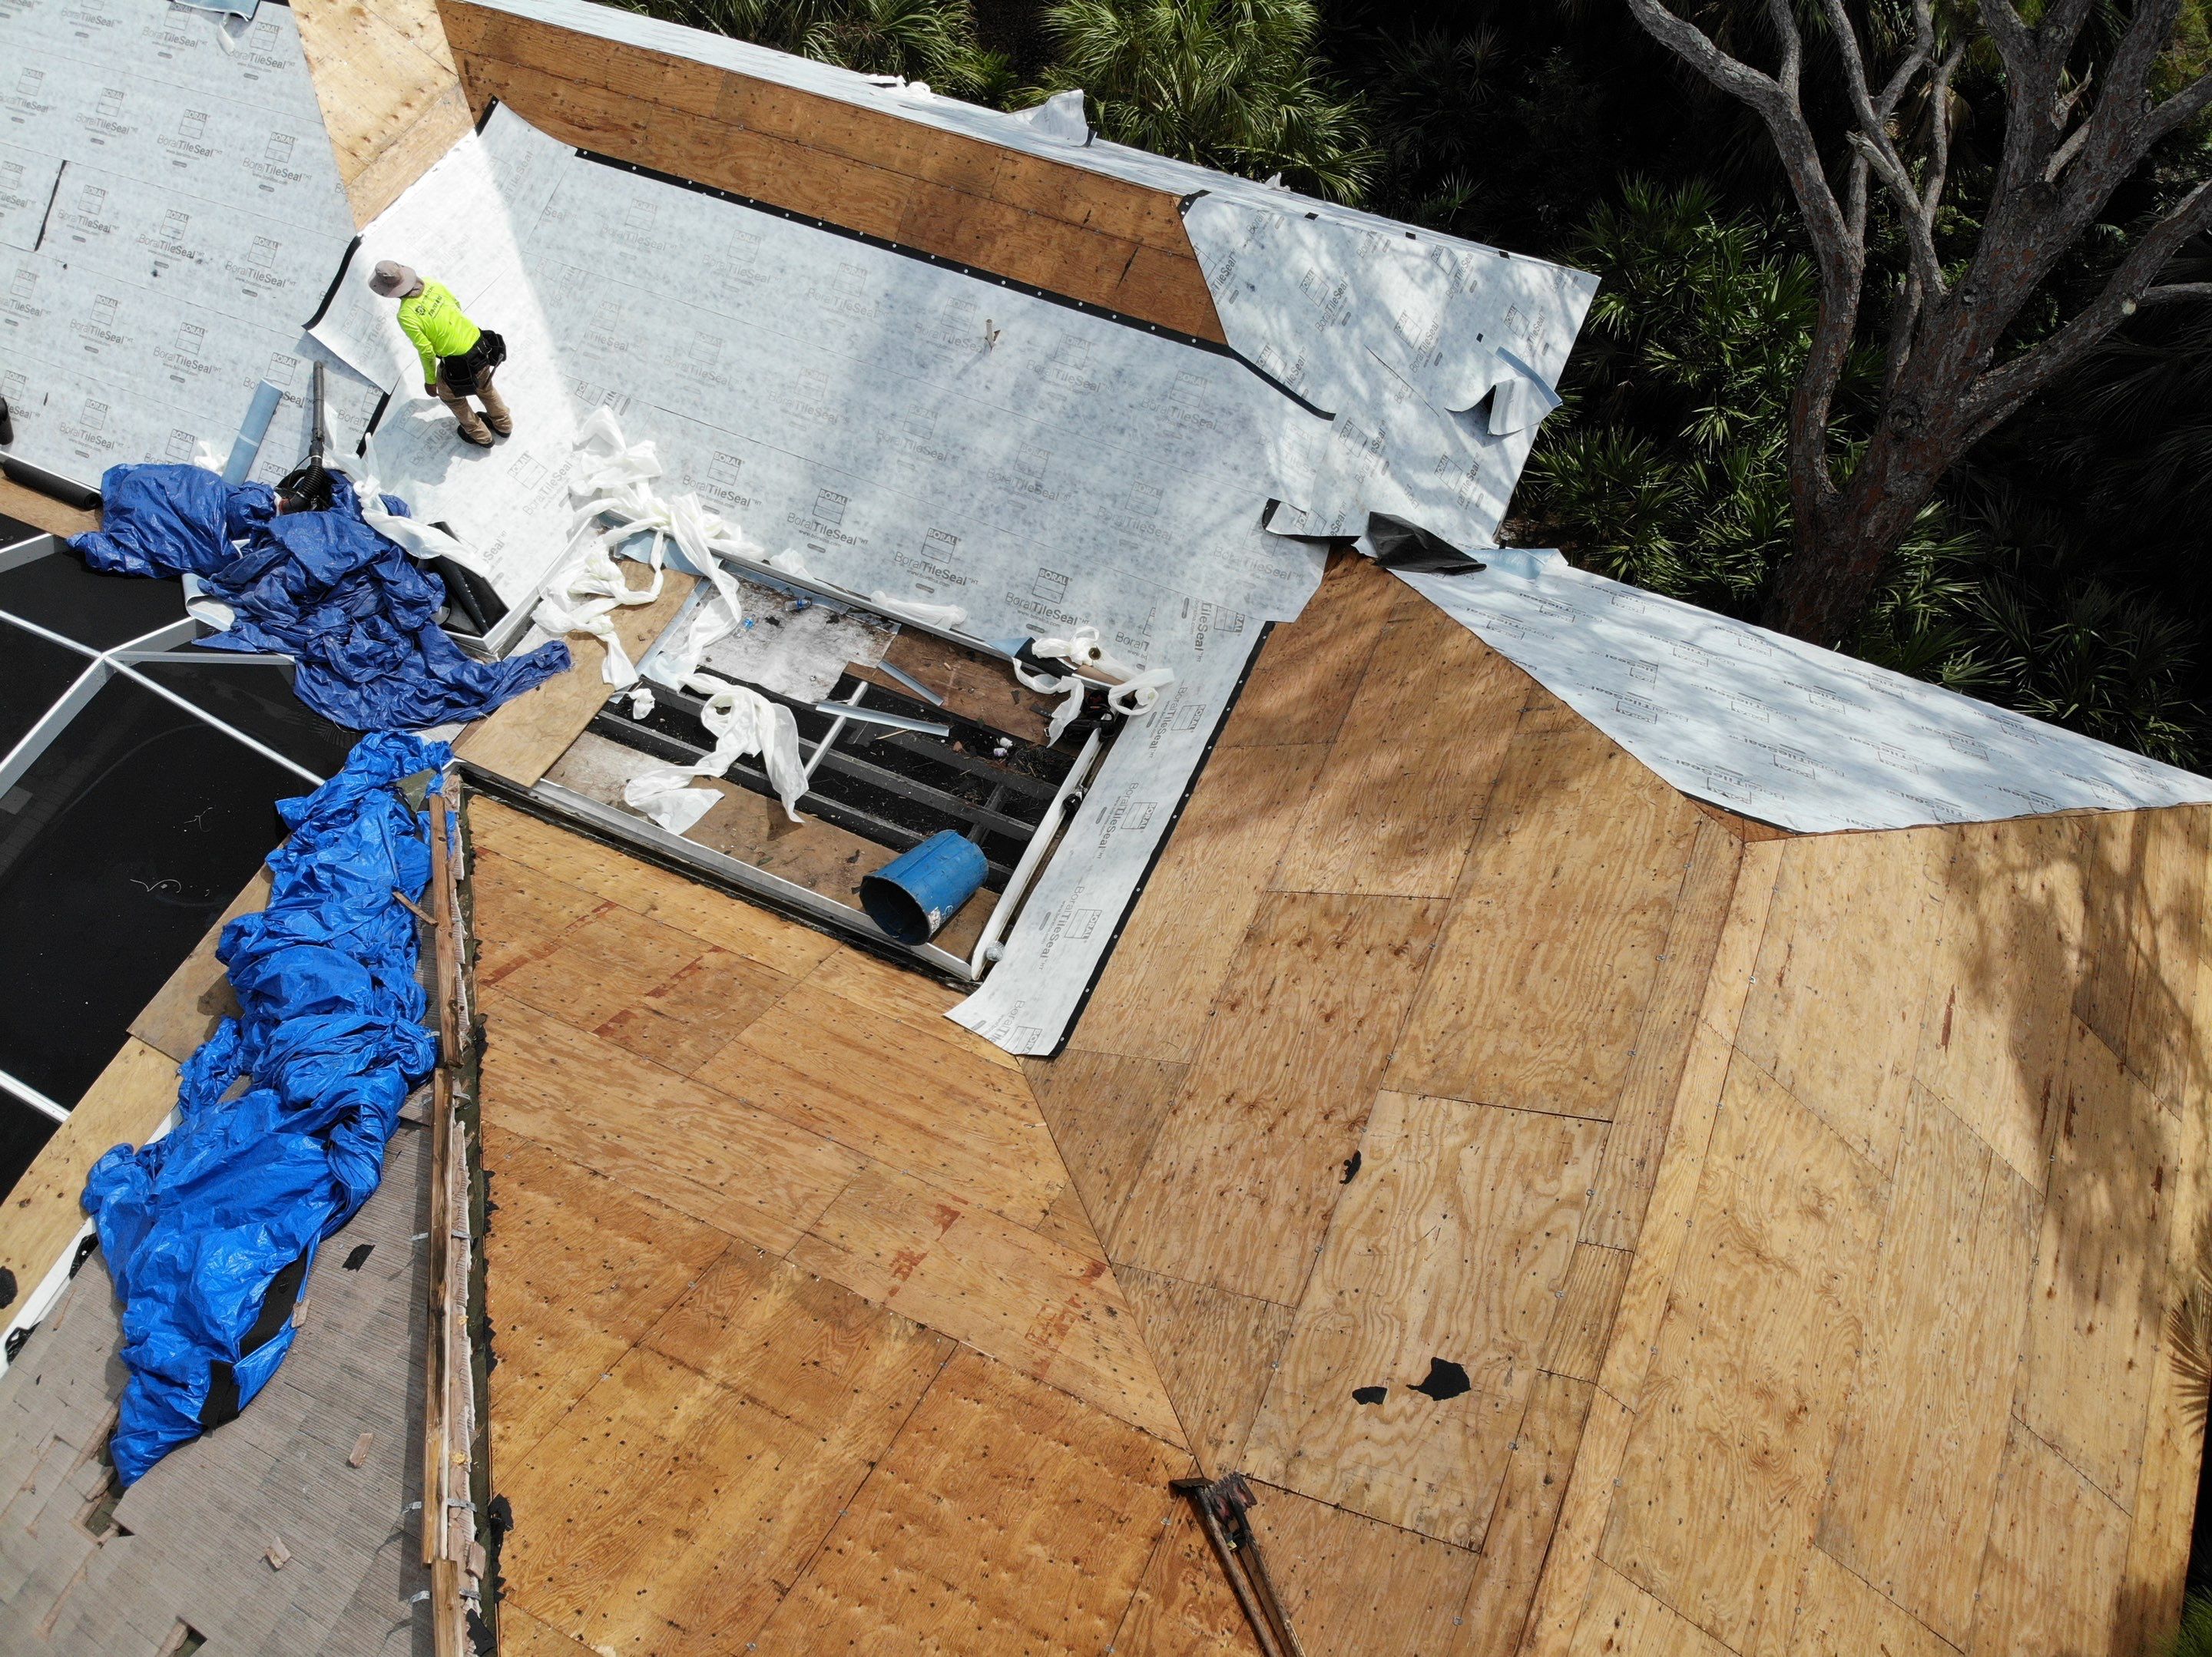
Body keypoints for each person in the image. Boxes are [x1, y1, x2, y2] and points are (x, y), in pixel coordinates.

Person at [366, 260, 510, 448]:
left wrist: (430, 381)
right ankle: (504, 425)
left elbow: (426, 350)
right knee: (486, 388)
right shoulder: (432, 284)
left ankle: (481, 436)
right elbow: (456, 305)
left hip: (459, 363)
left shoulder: (406, 315)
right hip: (481, 345)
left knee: (452, 397)